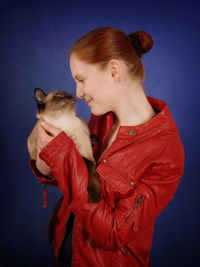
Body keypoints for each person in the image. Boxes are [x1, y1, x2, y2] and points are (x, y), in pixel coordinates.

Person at [30, 27, 185, 267]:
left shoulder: (166, 152)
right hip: (65, 254)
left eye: (81, 80)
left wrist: (61, 153)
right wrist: (45, 159)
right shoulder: (101, 117)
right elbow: (79, 176)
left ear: (113, 70)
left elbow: (112, 233)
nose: (78, 93)